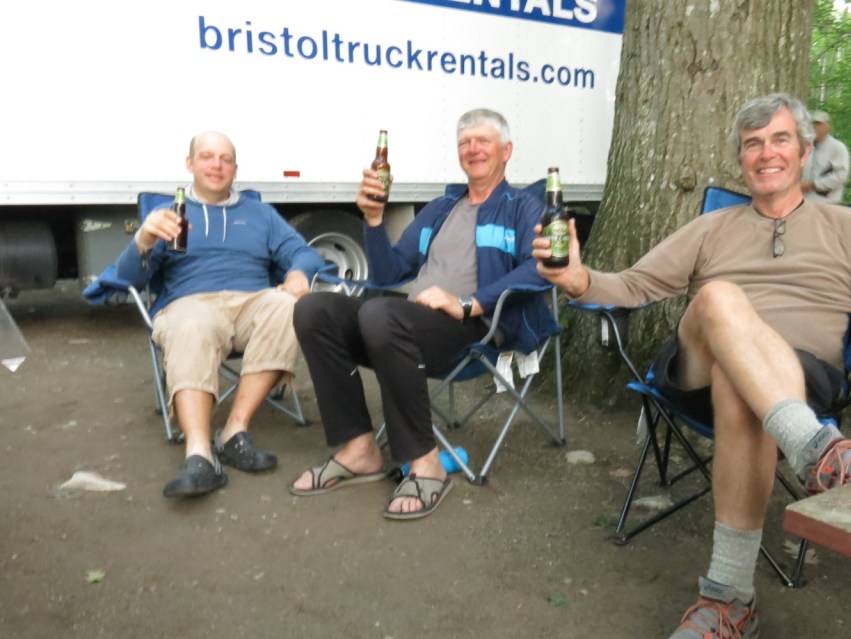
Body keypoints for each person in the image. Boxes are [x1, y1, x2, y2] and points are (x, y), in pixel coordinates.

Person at [533, 93, 851, 639]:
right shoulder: (711, 228)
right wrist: (577, 278)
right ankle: (824, 454)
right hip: (698, 368)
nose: (766, 153)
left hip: (800, 378)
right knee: (719, 297)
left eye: (779, 140)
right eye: (752, 144)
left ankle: (727, 602)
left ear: (805, 151)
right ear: (741, 159)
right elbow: (634, 285)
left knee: (741, 388)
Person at [289, 108, 556, 519]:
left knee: (382, 314)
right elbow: (389, 272)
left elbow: (542, 267)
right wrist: (374, 220)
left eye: (483, 141)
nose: (473, 149)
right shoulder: (441, 208)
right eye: (465, 142)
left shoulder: (524, 208)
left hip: (476, 331)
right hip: (406, 328)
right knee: (314, 308)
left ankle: (426, 462)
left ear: (506, 151)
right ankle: (359, 448)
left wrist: (468, 303)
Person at [114, 131, 326, 499]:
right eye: (207, 156)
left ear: (235, 169)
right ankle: (199, 455)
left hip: (251, 304)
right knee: (192, 323)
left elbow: (304, 253)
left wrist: (297, 273)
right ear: (190, 164)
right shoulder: (170, 215)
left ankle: (233, 431)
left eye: (225, 159)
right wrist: (143, 240)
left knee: (288, 306)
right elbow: (129, 278)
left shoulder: (261, 214)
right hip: (190, 303)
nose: (216, 165)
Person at [800, 109, 851, 203]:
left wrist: (814, 185)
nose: (815, 127)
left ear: (828, 127)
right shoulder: (805, 144)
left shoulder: (837, 148)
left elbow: (841, 175)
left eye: (819, 124)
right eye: (813, 124)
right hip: (802, 201)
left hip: (826, 203)